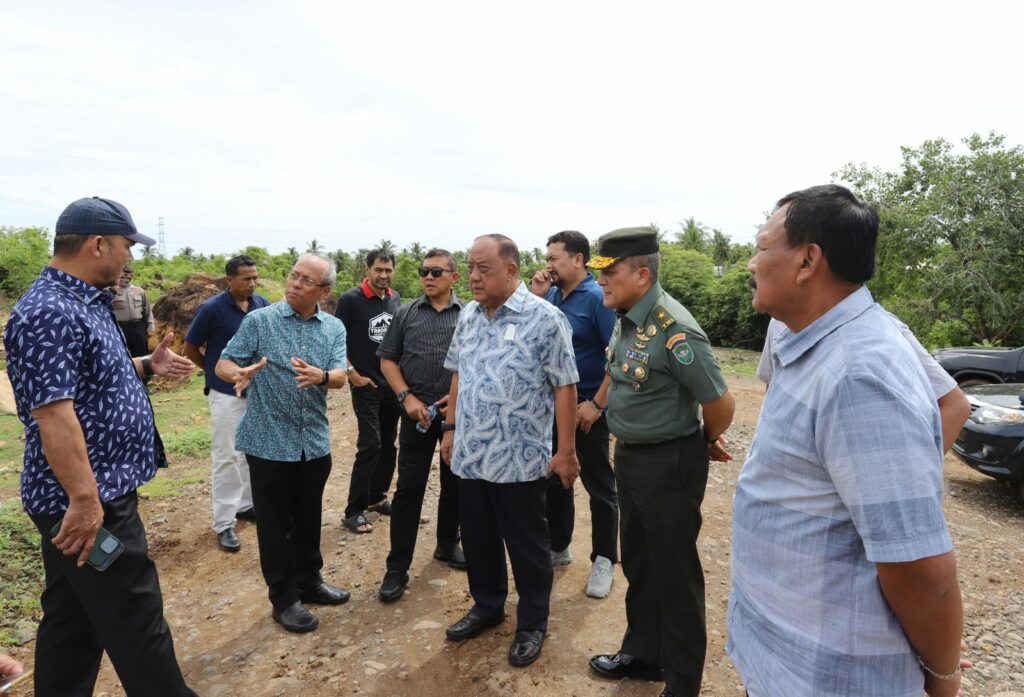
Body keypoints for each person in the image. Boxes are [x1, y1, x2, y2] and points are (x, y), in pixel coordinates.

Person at [728, 185, 967, 697]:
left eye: (762, 246)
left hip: (829, 677)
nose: (751, 262)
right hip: (785, 662)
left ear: (808, 261)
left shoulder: (860, 373)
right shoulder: (801, 333)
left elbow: (920, 570)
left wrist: (944, 681)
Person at [3, 196, 197, 697]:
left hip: (92, 494)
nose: (130, 257)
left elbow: (88, 383)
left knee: (73, 623)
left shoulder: (82, 300)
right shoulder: (47, 312)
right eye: (127, 246)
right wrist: (86, 502)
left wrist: (147, 365)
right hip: (89, 501)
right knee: (136, 616)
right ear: (97, 244)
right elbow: (54, 416)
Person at [586, 226, 735, 697]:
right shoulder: (627, 314)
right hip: (630, 458)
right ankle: (645, 654)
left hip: (669, 463)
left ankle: (682, 682)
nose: (602, 281)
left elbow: (721, 404)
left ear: (642, 273)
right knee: (642, 563)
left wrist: (702, 440)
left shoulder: (676, 329)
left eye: (609, 272)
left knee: (676, 575)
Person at [440, 234, 579, 668]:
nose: (474, 277)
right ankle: (487, 606)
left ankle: (532, 622)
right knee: (478, 538)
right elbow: (460, 373)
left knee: (527, 545)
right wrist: (450, 427)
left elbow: (565, 386)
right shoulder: (469, 316)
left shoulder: (546, 318)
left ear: (512, 270)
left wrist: (567, 451)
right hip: (471, 452)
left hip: (518, 457)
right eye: (470, 268)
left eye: (483, 268)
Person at [216, 253, 351, 634]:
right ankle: (284, 598)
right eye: (293, 275)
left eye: (306, 280)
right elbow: (224, 362)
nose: (294, 284)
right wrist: (238, 371)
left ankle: (310, 582)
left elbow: (342, 375)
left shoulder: (333, 328)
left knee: (308, 519)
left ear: (323, 291)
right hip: (268, 442)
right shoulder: (260, 321)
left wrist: (322, 376)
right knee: (274, 525)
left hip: (313, 443)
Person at [530, 230, 619, 598]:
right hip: (553, 406)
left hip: (586, 407)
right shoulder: (550, 295)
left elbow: (619, 355)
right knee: (556, 478)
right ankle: (559, 546)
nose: (547, 264)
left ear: (578, 259)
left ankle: (604, 560)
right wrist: (534, 298)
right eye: (548, 258)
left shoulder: (597, 298)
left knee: (599, 486)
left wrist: (597, 405)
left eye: (554, 258)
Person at [375, 248, 465, 602]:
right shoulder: (406, 312)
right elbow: (387, 361)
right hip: (416, 416)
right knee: (409, 488)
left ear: (454, 278)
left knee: (454, 484)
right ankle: (397, 567)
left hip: (455, 417)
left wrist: (457, 403)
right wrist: (406, 398)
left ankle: (446, 544)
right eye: (424, 271)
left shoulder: (469, 315)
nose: (428, 277)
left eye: (437, 272)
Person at [759, 316, 970, 453]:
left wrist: (908, 479)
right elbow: (772, 399)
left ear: (809, 261)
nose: (753, 264)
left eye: (765, 249)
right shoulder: (779, 323)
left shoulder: (882, 331)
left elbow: (955, 406)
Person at [183, 255, 270, 552]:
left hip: (255, 391)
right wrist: (211, 370)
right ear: (229, 280)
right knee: (226, 456)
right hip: (225, 393)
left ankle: (246, 505)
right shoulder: (212, 309)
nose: (252, 282)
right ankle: (224, 523)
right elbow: (191, 348)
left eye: (254, 277)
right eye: (246, 278)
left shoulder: (262, 305)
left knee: (249, 452)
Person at [336, 249, 403, 533]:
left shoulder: (395, 298)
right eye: (379, 270)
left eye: (388, 270)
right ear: (367, 270)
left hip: (391, 385)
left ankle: (376, 497)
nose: (384, 275)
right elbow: (336, 340)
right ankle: (353, 510)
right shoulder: (351, 300)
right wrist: (353, 374)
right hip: (366, 385)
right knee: (371, 445)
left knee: (389, 443)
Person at [111, 265, 154, 357]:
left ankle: (141, 371)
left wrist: (150, 327)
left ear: (131, 277)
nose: (125, 278)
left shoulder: (139, 291)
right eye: (122, 276)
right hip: (119, 328)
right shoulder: (112, 291)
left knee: (142, 355)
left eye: (128, 276)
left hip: (137, 327)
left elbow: (147, 310)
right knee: (121, 355)